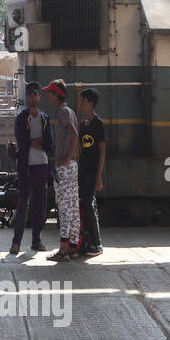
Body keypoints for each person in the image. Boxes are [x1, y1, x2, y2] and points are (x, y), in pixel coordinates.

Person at [9, 82, 53, 255]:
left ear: (39, 98)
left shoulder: (44, 118)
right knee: (22, 204)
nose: (32, 97)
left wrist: (31, 143)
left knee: (40, 205)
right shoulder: (21, 118)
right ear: (27, 97)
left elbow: (49, 144)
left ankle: (37, 240)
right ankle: (16, 243)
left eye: (35, 94)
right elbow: (22, 142)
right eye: (30, 94)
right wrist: (36, 142)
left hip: (41, 166)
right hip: (26, 167)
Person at [42, 79, 80, 262]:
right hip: (72, 165)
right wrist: (72, 157)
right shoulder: (70, 111)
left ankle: (63, 249)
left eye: (50, 92)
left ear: (57, 94)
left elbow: (73, 134)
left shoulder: (63, 112)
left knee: (64, 208)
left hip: (65, 166)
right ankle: (73, 247)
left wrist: (65, 157)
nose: (47, 95)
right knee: (73, 206)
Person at [76, 87, 105, 258]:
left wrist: (99, 177)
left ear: (91, 103)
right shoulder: (84, 124)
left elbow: (102, 151)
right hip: (82, 170)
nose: (81, 103)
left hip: (92, 171)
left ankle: (98, 243)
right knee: (83, 205)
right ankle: (86, 241)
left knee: (88, 204)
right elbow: (80, 143)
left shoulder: (98, 124)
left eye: (83, 101)